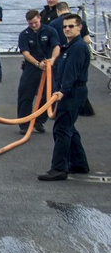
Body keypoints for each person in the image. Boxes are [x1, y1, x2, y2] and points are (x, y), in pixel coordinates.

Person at [39, 14, 90, 181]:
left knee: (61, 129)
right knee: (69, 128)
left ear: (79, 27)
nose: (67, 29)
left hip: (72, 93)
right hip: (70, 91)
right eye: (65, 26)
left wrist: (63, 91)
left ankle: (59, 168)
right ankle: (79, 163)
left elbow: (71, 72)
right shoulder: (69, 46)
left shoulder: (78, 47)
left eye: (71, 26)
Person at [15, 9, 60, 135]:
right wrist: (37, 63)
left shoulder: (50, 31)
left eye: (35, 22)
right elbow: (25, 53)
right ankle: (24, 124)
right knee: (25, 95)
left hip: (48, 67)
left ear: (39, 18)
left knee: (50, 96)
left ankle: (39, 121)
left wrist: (52, 59)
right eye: (31, 24)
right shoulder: (24, 35)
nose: (33, 25)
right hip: (31, 67)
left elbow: (56, 46)